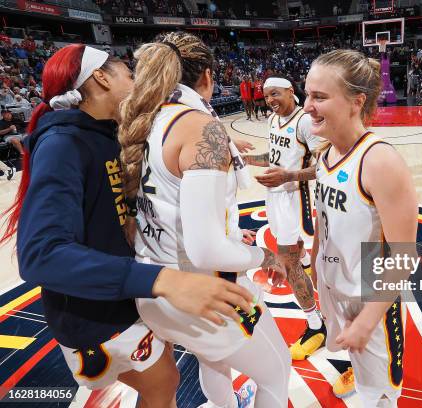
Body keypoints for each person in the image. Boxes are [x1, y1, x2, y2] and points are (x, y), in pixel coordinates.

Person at [1, 44, 255, 407]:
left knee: (167, 376)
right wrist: (168, 279)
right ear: (101, 77)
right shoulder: (64, 143)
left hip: (125, 292)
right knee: (165, 381)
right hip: (96, 308)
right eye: (129, 73)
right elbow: (41, 254)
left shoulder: (105, 133)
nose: (137, 81)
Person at [119, 32, 291, 408]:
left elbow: (174, 208)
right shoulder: (201, 127)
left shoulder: (147, 119)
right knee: (277, 373)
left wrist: (231, 232)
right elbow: (205, 248)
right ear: (209, 77)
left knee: (212, 360)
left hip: (155, 288)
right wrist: (265, 256)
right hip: (200, 292)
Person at [305, 49, 418, 407]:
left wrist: (369, 320)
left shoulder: (380, 160)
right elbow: (325, 221)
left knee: (380, 397)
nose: (307, 105)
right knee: (358, 372)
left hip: (369, 297)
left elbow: (404, 255)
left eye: (319, 97)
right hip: (335, 287)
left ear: (357, 102)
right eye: (308, 94)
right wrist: (314, 265)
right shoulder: (325, 155)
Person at [243, 74, 327, 362]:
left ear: (292, 91)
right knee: (294, 254)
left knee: (288, 263)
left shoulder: (304, 122)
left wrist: (288, 176)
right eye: (267, 96)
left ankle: (316, 326)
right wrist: (248, 160)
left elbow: (327, 166)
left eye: (276, 94)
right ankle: (306, 262)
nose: (271, 101)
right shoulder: (272, 120)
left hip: (295, 196)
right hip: (275, 195)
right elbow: (275, 156)